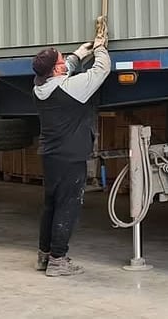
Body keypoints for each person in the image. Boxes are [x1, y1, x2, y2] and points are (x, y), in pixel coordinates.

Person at [31, 26, 110, 277]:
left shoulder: (39, 88)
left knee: (51, 205)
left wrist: (78, 53)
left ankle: (44, 255)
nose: (65, 61)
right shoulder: (71, 88)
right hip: (70, 157)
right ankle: (58, 260)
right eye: (62, 60)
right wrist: (99, 49)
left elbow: (64, 73)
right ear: (56, 69)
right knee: (67, 207)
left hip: (52, 157)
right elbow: (101, 71)